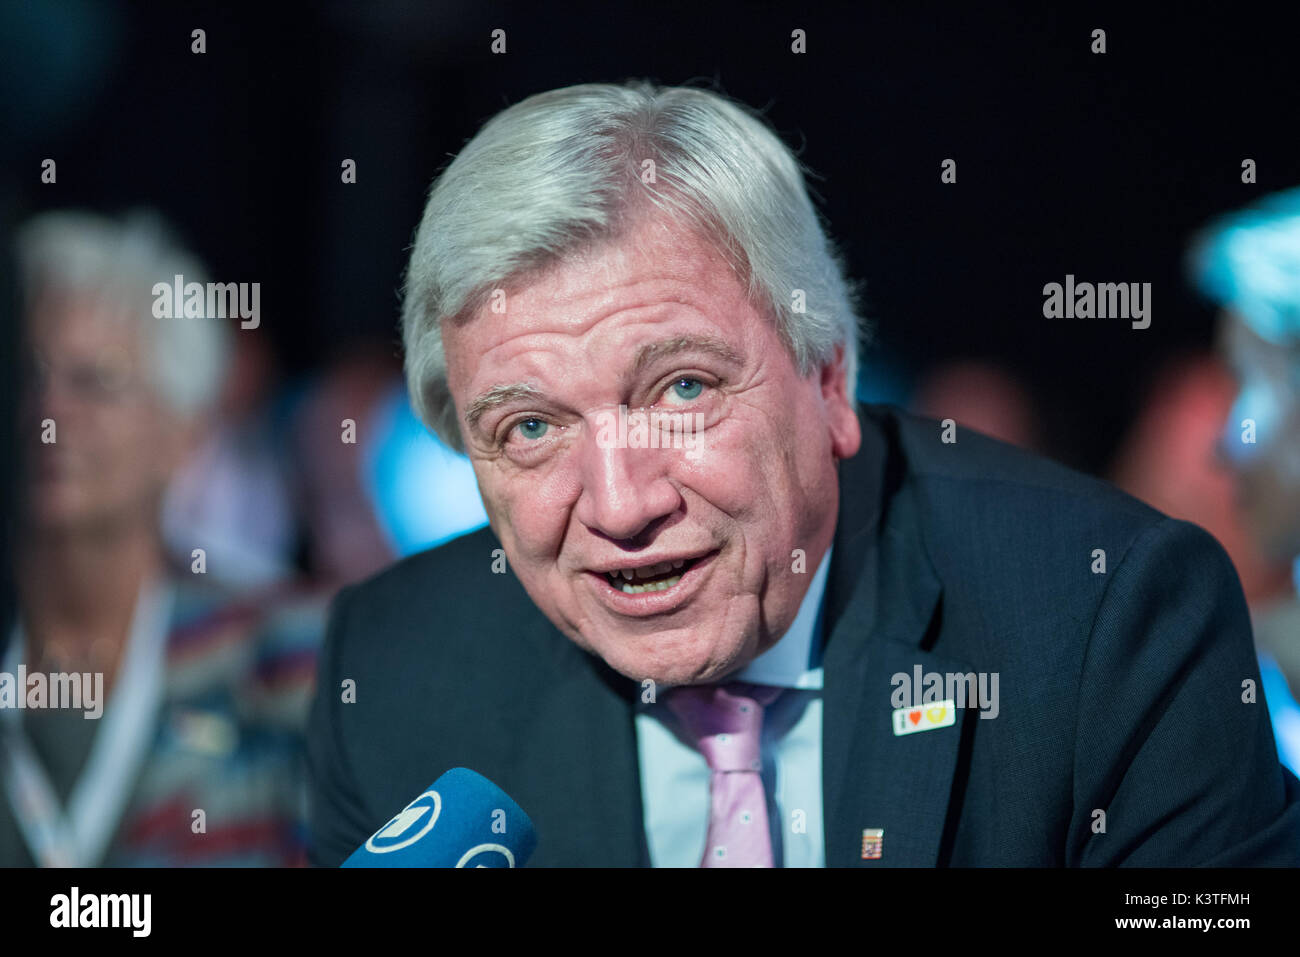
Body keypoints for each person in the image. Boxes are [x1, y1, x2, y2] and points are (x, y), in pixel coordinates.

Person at [307, 81, 1300, 866]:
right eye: (529, 427)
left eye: (684, 389)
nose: (620, 506)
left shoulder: (1111, 624)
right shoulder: (395, 673)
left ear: (829, 376)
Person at [1, 210, 320, 866]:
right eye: (27, 376)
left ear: (185, 432)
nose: (49, 412)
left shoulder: (286, 660)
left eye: (95, 382)